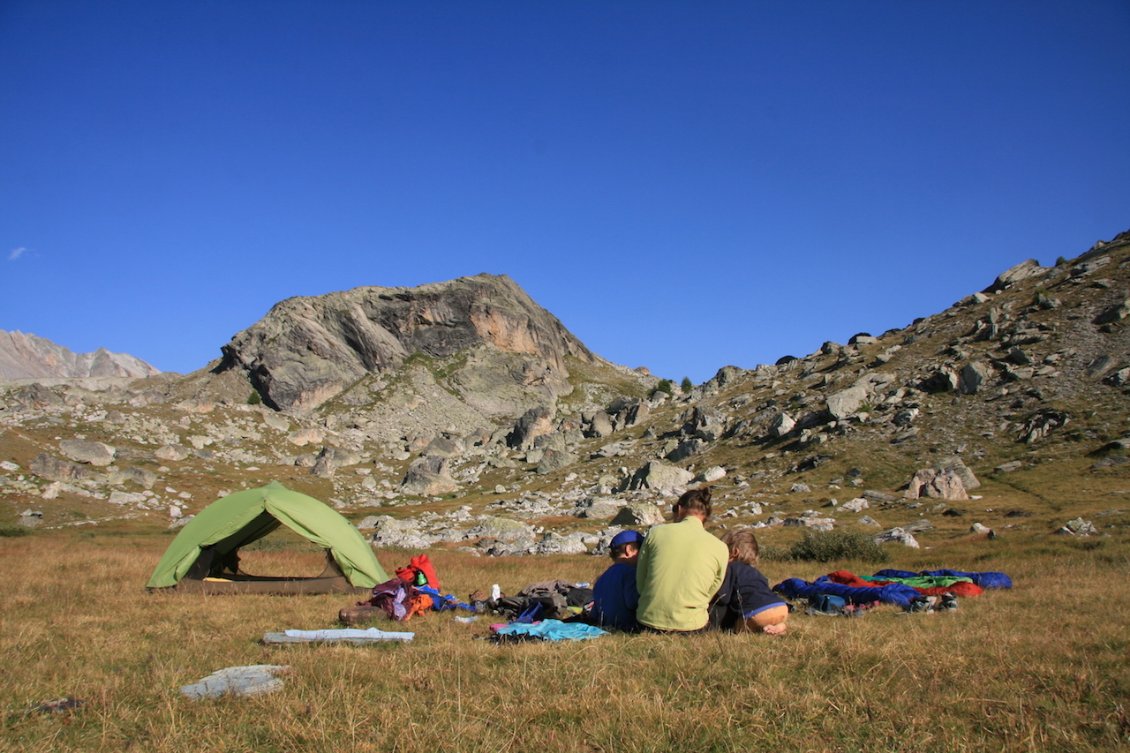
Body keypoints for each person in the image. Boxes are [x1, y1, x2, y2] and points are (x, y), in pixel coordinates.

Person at [635, 487, 729, 633]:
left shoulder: (656, 533)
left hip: (648, 621)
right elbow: (711, 590)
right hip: (692, 626)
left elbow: (641, 582)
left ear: (679, 509)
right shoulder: (721, 547)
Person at [709, 528, 788, 635]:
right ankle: (779, 625)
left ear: (734, 552)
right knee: (769, 619)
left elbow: (723, 598)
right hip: (780, 607)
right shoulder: (755, 572)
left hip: (756, 613)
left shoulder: (731, 568)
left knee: (732, 625)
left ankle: (760, 628)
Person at [589, 529, 643, 631]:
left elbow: (595, 612)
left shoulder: (602, 577)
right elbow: (633, 603)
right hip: (627, 626)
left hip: (605, 625)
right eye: (640, 549)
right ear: (629, 550)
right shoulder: (631, 573)